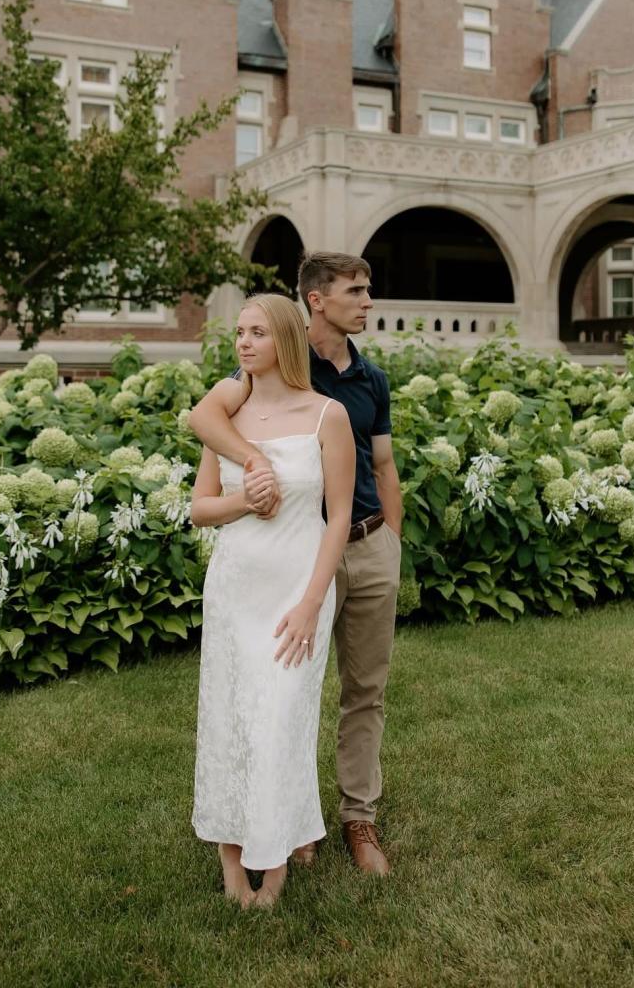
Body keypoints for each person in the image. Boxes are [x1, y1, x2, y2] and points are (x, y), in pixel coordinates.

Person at [189, 252, 402, 876]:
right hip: (293, 554)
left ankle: (358, 818)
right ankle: (292, 822)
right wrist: (255, 465)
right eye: (355, 291)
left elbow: (383, 465)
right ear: (316, 300)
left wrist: (392, 541)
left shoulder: (370, 380)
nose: (367, 302)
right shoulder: (271, 357)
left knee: (364, 692)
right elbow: (207, 418)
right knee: (286, 694)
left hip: (365, 542)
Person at [190, 293, 355, 909]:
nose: (243, 342)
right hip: (235, 589)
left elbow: (338, 518)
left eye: (257, 332)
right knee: (231, 720)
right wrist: (245, 500)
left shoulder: (327, 416)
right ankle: (232, 863)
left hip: (297, 590)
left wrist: (312, 603)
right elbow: (200, 509)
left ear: (285, 338)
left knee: (282, 719)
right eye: (239, 332)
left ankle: (275, 863)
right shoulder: (227, 419)